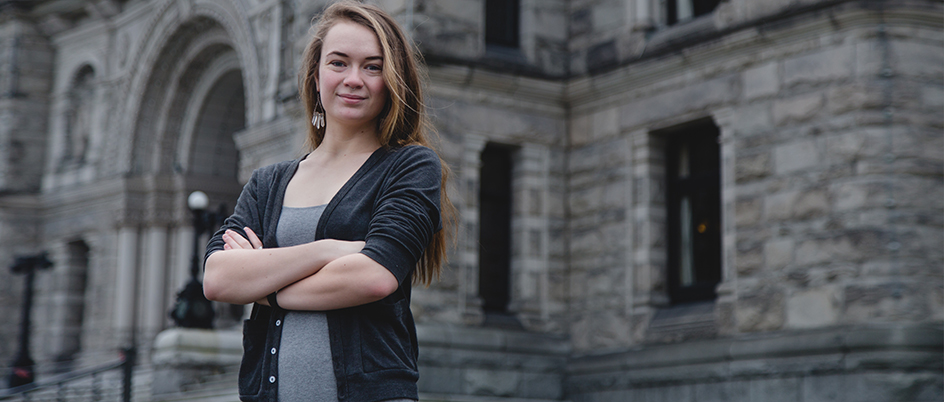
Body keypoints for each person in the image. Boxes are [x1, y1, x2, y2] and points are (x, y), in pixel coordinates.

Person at [202, 2, 454, 401]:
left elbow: (374, 278)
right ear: (315, 76)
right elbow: (217, 279)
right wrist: (328, 251)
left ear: (392, 81)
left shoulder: (409, 166)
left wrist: (263, 287)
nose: (354, 79)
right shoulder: (268, 182)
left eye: (372, 67)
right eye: (339, 63)